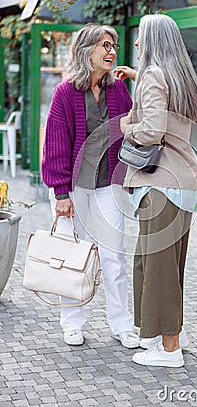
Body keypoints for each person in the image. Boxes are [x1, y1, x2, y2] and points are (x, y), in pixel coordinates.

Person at [41, 24, 140, 349]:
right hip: (73, 190)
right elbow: (55, 144)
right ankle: (72, 323)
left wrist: (139, 78)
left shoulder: (118, 91)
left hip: (108, 187)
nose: (112, 52)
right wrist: (60, 194)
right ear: (87, 51)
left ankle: (121, 325)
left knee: (113, 257)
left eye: (113, 46)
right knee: (71, 257)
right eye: (105, 45)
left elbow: (132, 133)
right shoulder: (65, 92)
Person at [115, 14, 197, 367]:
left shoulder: (155, 76)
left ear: (152, 40)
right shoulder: (179, 76)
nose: (136, 44)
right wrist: (139, 79)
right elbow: (167, 111)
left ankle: (170, 350)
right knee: (169, 265)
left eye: (140, 37)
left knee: (157, 267)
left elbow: (151, 130)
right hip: (182, 184)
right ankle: (170, 337)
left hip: (161, 186)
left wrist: (126, 125)